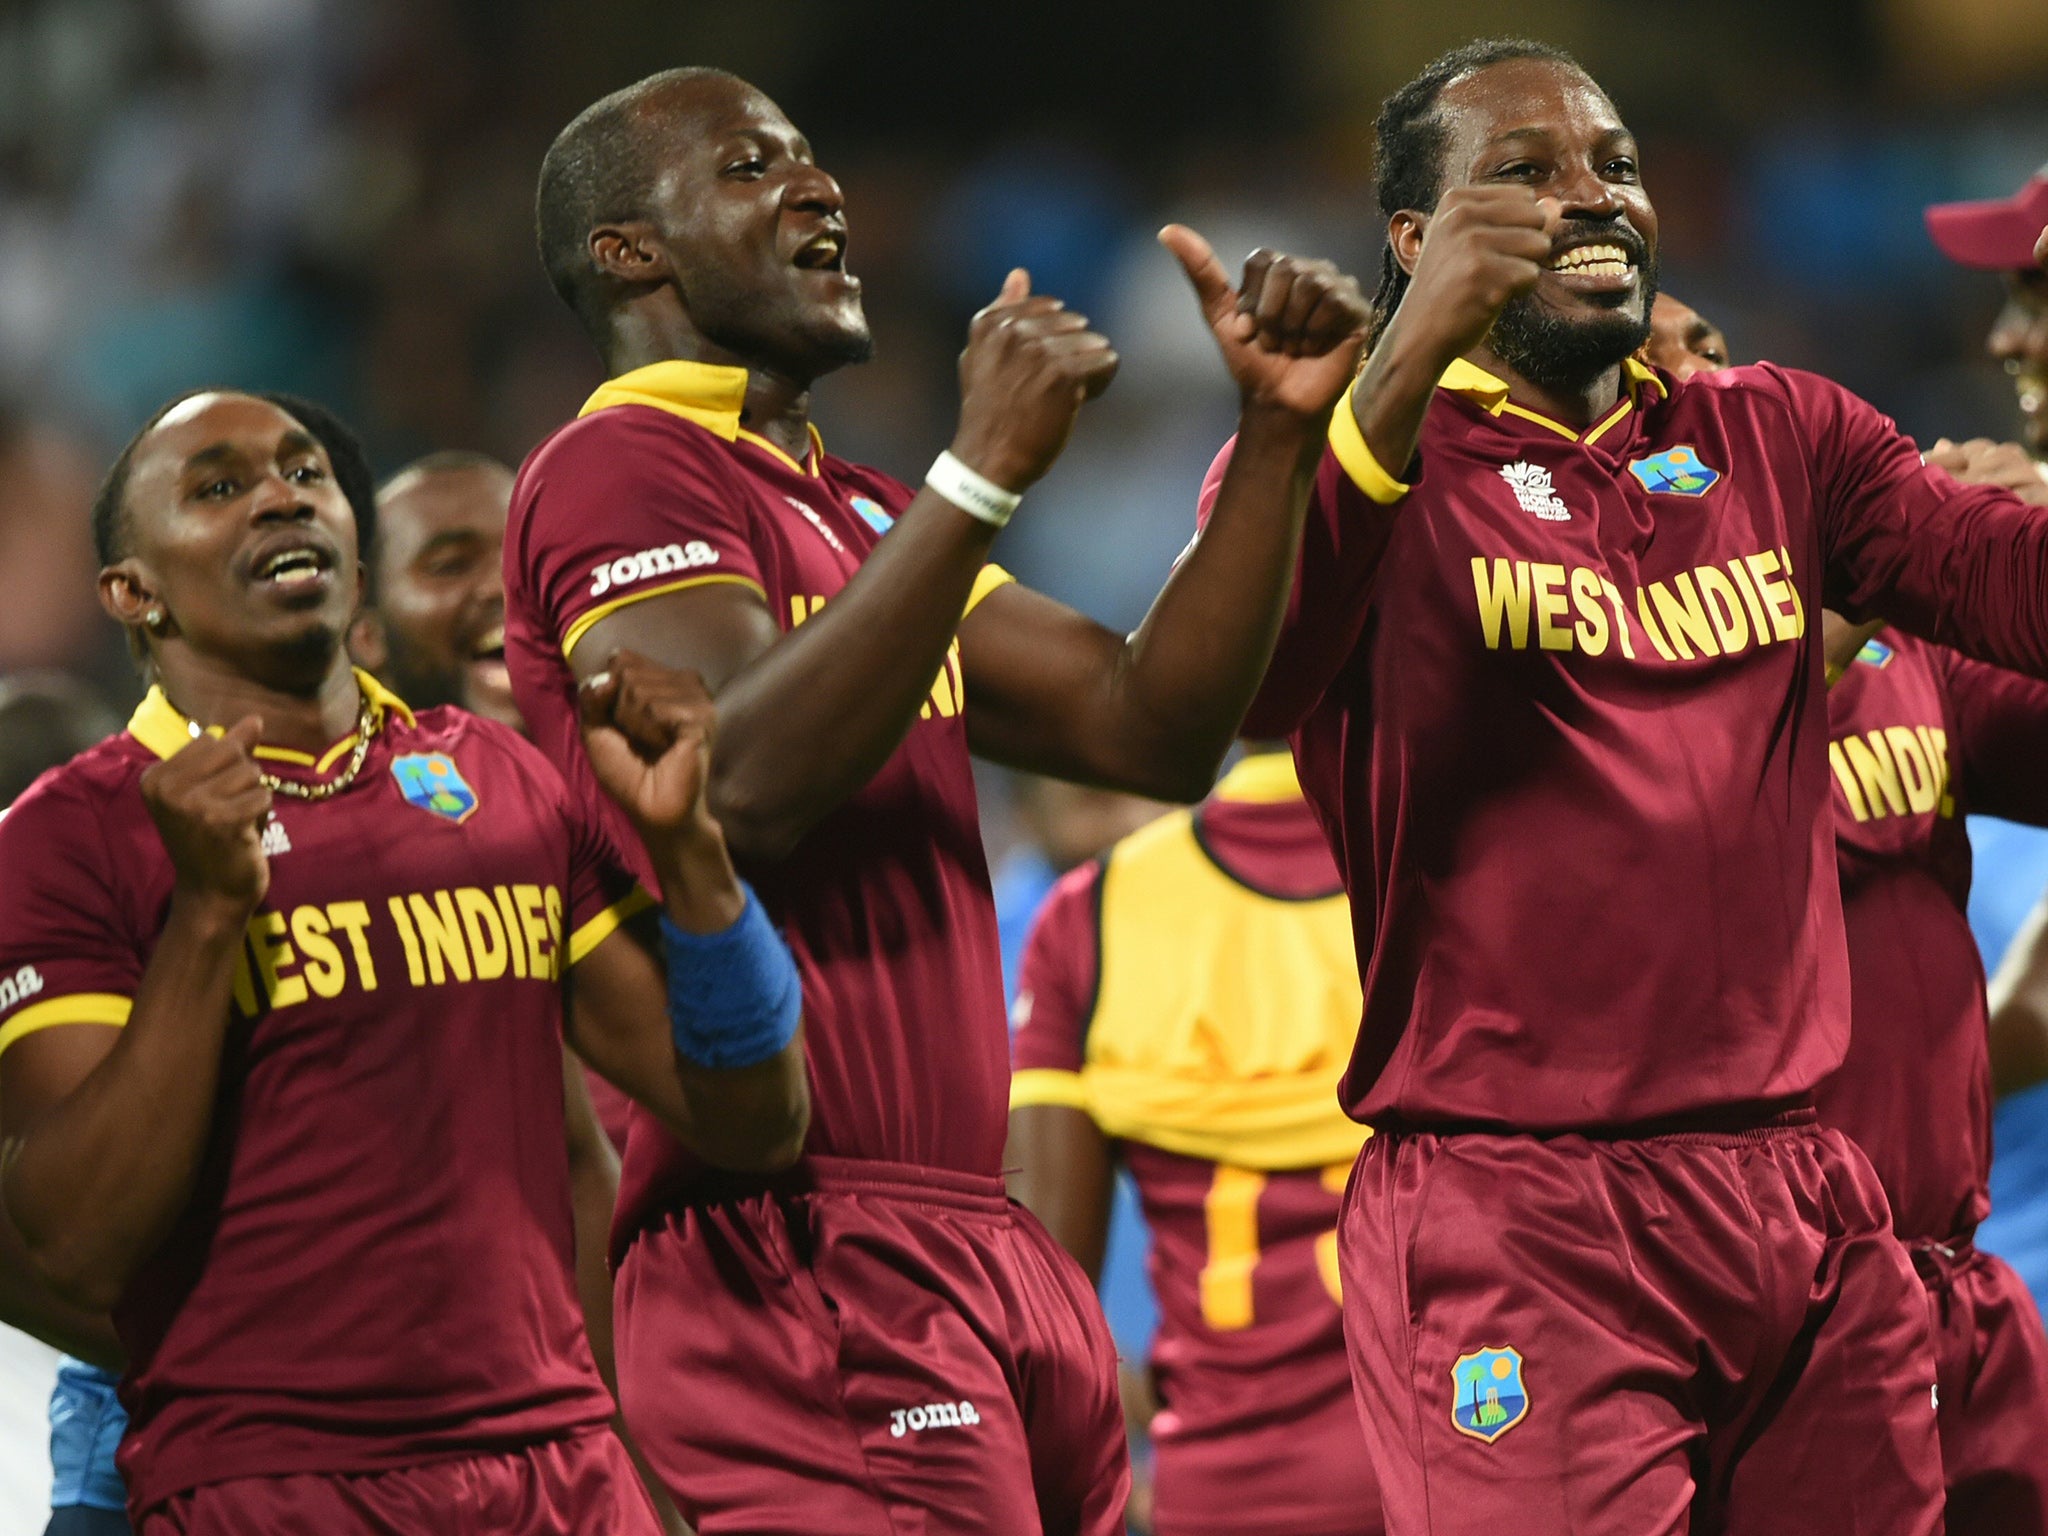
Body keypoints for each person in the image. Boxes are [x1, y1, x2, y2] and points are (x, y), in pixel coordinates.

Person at [508, 66, 1370, 1534]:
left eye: (814, 159)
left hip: (978, 1244)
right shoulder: (622, 467)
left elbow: (1150, 724)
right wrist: (978, 475)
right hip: (797, 1243)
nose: (817, 187)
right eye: (750, 166)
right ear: (630, 251)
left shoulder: (858, 511)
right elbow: (740, 787)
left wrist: (1280, 436)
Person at [1205, 35, 2048, 1535]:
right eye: (1525, 174)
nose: (1592, 194)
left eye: (1616, 165)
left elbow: (2008, 586)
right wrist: (1397, 361)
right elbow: (1250, 685)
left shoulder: (1781, 435)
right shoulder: (1351, 465)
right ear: (1415, 237)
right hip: (1516, 1212)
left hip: (1798, 1195)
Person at [0, 388, 807, 1531]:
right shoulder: (68, 837)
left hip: (557, 1474)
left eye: (301, 474)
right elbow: (76, 1247)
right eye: (219, 488)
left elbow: (752, 1121)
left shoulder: (505, 780)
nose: (280, 495)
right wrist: (206, 922)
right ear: (133, 595)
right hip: (276, 1486)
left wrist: (694, 863)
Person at [1648, 296, 2048, 1534]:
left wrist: (2006, 540)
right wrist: (1862, 581)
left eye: (1707, 346)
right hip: (1757, 1318)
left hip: (1957, 1288)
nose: (1695, 384)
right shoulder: (1566, 675)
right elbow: (1665, 802)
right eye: (1641, 362)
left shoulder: (1903, 655)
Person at [1007, 744, 1378, 1536]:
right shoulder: (1459, 866)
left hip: (1224, 1491)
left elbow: (1045, 1323)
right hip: (1467, 1453)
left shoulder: (1093, 917)